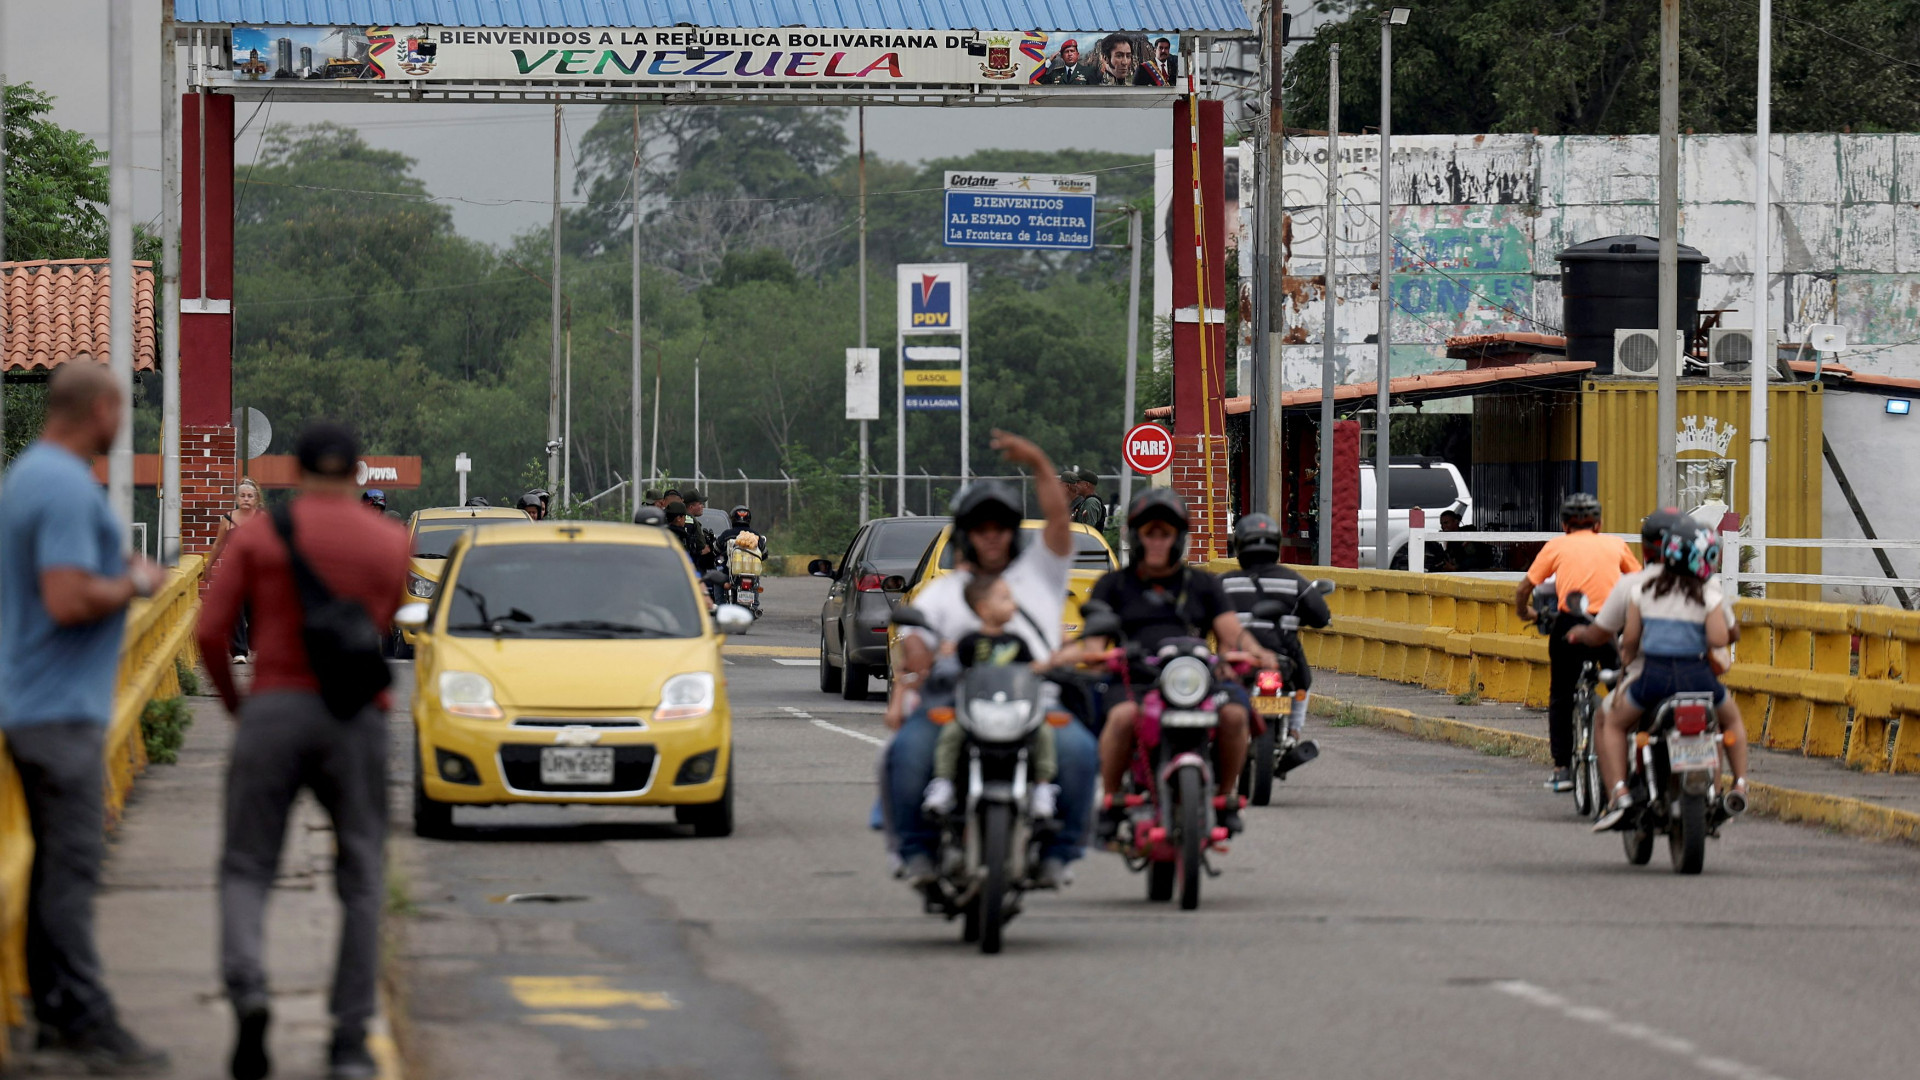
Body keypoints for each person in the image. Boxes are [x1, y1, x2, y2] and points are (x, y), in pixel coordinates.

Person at [196, 422, 411, 1080]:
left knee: (246, 865)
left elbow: (210, 631)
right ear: (356, 473)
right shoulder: (390, 543)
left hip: (274, 711)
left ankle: (249, 992)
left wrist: (240, 710)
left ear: (297, 473)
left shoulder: (258, 536)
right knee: (363, 875)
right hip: (354, 720)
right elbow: (380, 625)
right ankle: (349, 1041)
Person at [0, 361, 171, 1075]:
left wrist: (118, 564)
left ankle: (51, 1010)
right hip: (57, 711)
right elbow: (68, 598)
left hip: (32, 702)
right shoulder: (67, 486)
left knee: (47, 871)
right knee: (72, 871)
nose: (122, 423)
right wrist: (133, 582)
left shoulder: (31, 475)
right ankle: (86, 1020)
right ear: (100, 409)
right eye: (120, 410)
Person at [884, 431, 1095, 890]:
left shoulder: (1040, 573)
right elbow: (916, 646)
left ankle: (1059, 853)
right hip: (954, 701)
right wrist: (913, 672)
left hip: (1035, 698)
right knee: (906, 751)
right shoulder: (943, 591)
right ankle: (917, 851)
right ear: (968, 534)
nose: (992, 536)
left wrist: (1038, 462)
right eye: (981, 528)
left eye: (1000, 527)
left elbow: (1059, 522)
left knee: (1079, 751)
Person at [1074, 489, 1278, 841]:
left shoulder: (1202, 584)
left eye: (1165, 533)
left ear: (1177, 538)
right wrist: (1095, 657)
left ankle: (1224, 797)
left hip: (1195, 678)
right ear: (1136, 537)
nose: (1157, 541)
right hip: (1135, 679)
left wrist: (1258, 652)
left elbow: (1232, 632)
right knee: (1122, 717)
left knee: (1235, 714)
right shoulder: (1113, 585)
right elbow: (1094, 641)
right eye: (1149, 533)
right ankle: (1112, 799)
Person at [1591, 523, 1751, 831]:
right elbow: (1720, 638)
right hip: (1698, 680)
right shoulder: (1708, 592)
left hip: (1654, 680)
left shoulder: (1643, 591)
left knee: (1613, 723)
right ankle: (1740, 785)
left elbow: (1631, 641)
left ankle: (1620, 792)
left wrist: (1628, 656)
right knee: (1731, 721)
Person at [1513, 493, 1641, 793]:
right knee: (1625, 692)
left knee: (1561, 694)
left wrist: (1525, 612)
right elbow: (1640, 581)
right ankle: (1634, 761)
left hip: (1570, 625)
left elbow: (1524, 589)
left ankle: (1562, 769)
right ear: (1599, 524)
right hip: (1610, 625)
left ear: (1564, 525)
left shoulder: (1556, 546)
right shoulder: (1615, 544)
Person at [920, 575, 1059, 821]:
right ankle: (943, 782)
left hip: (1014, 707)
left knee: (1044, 732)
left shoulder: (1017, 642)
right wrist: (946, 657)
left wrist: (1047, 666)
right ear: (983, 608)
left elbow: (1029, 670)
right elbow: (956, 670)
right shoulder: (968, 642)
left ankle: (1043, 787)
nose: (1013, 604)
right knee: (952, 732)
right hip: (977, 708)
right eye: (1005, 598)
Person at [1220, 512, 1331, 767]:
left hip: (1237, 659)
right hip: (1284, 657)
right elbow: (1320, 616)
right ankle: (1294, 731)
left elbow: (1202, 618)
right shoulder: (1294, 582)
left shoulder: (1224, 584)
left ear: (1239, 545)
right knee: (1302, 685)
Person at [211, 478, 265, 665]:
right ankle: (239, 651)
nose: (246, 499)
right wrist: (209, 567)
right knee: (236, 610)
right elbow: (218, 545)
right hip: (234, 571)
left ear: (256, 499)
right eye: (242, 496)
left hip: (257, 572)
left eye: (250, 496)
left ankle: (251, 640)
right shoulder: (227, 520)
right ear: (236, 498)